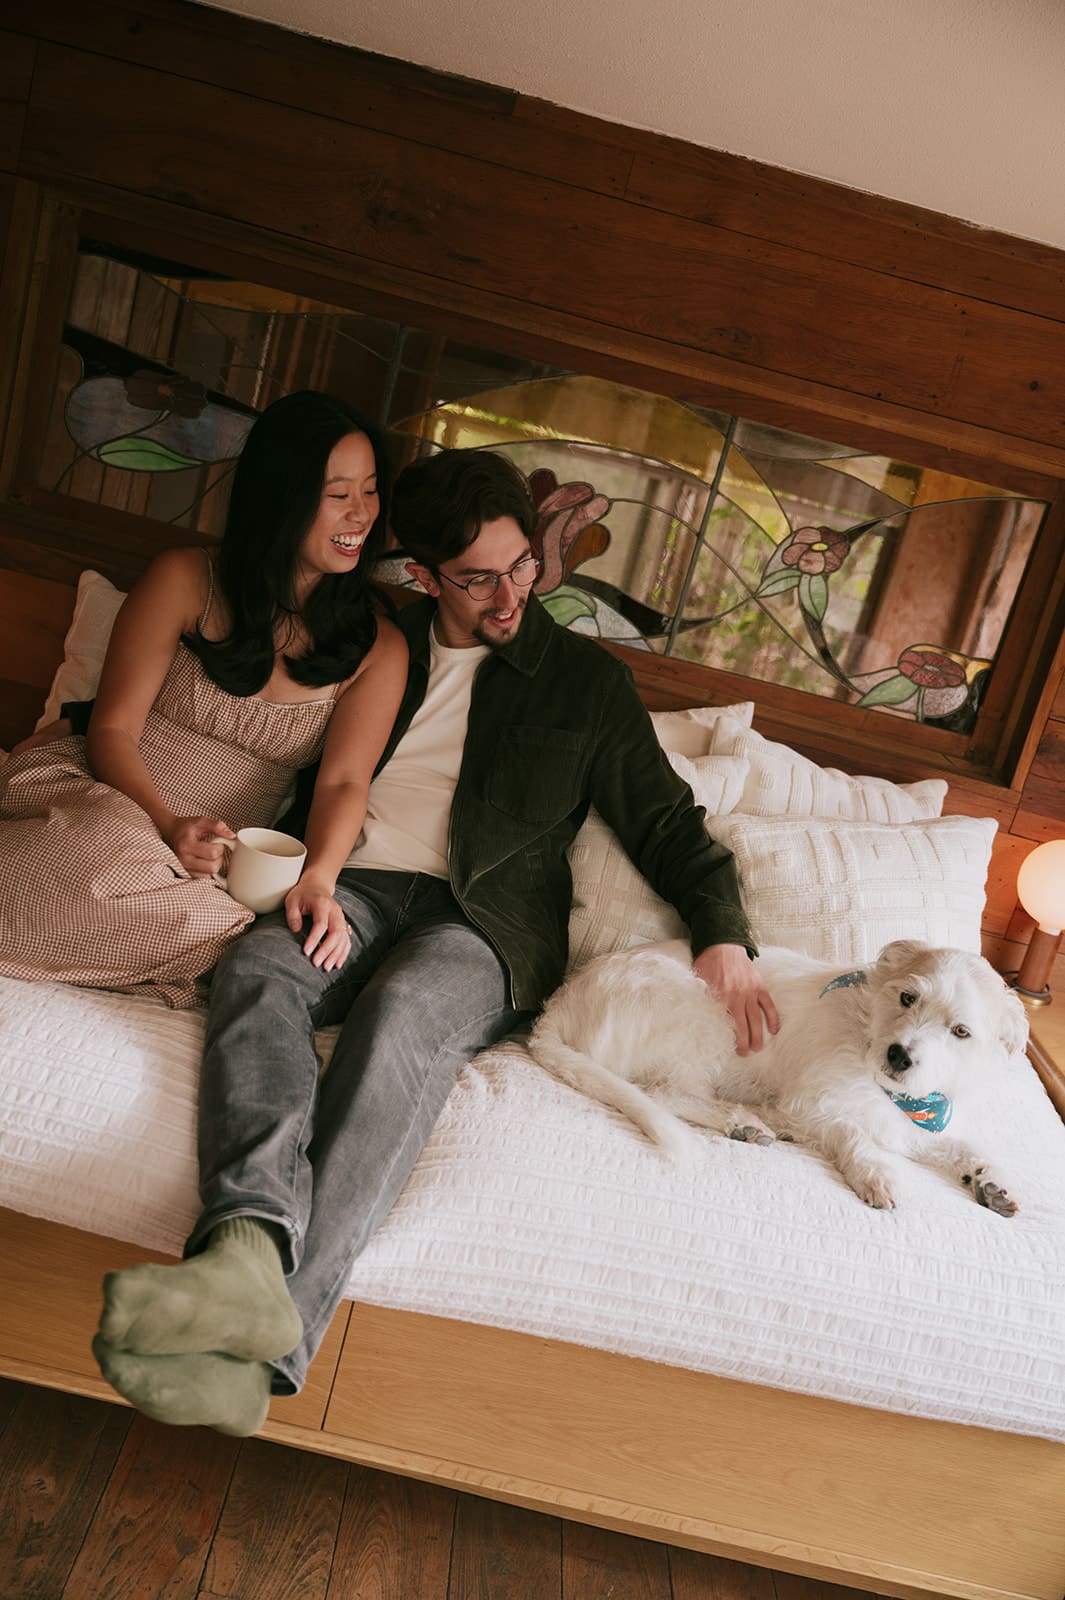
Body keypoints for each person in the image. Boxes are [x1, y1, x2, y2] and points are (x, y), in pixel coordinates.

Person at [93, 447, 778, 1436]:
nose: (509, 594)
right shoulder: (369, 639)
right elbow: (268, 719)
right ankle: (246, 1246)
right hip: (350, 887)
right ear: (422, 574)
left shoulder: (583, 680)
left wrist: (724, 936)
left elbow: (669, 823)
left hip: (483, 927)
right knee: (255, 969)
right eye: (478, 577)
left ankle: (272, 1352)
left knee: (404, 1012)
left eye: (521, 567)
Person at [0, 391, 407, 1006]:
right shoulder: (186, 578)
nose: (362, 515)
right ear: (282, 498)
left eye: (371, 490)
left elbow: (344, 783)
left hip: (217, 863)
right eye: (338, 495)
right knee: (98, 858)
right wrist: (166, 823)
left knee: (223, 929)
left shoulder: (378, 647)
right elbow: (112, 729)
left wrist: (319, 879)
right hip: (114, 801)